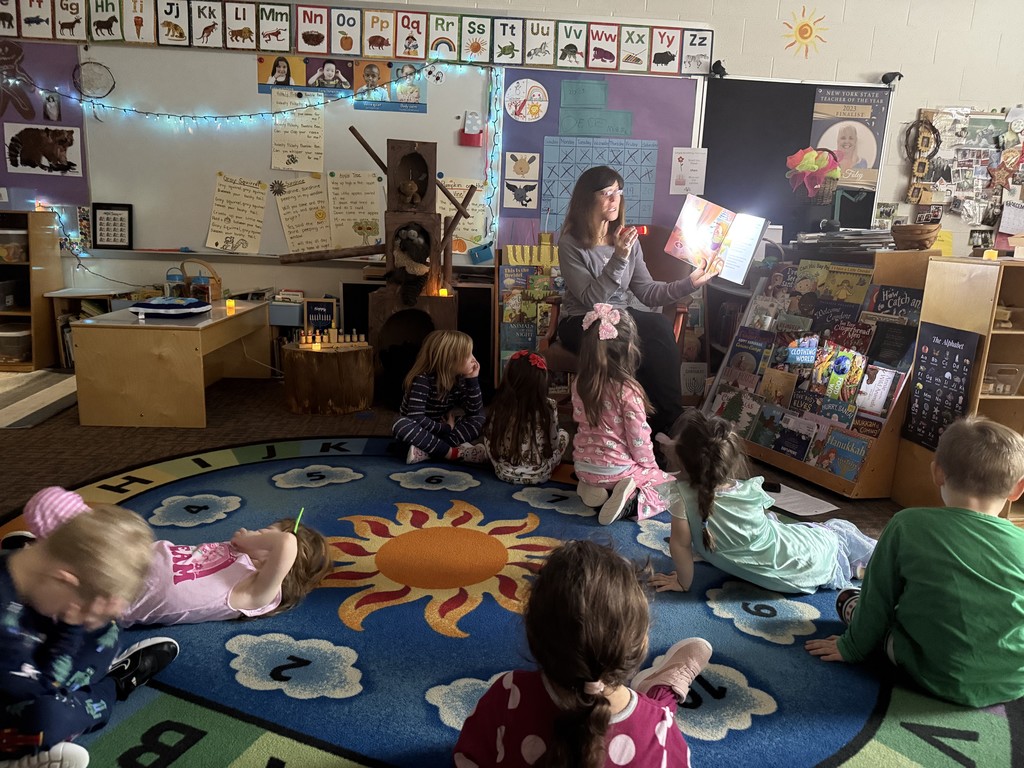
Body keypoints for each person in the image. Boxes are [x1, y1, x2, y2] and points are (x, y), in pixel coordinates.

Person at [805, 416, 1024, 708]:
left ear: (937, 473)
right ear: (1017, 489)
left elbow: (877, 597)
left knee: (848, 598)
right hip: (1010, 680)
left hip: (931, 670)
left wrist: (852, 647)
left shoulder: (907, 524)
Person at [454, 540, 711, 767]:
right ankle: (665, 690)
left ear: (533, 635)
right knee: (658, 711)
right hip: (652, 722)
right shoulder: (659, 732)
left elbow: (469, 757)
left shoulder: (508, 694)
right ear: (640, 642)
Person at [1, 487, 179, 768]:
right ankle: (114, 686)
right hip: (23, 693)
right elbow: (47, 689)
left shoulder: (34, 578)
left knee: (103, 635)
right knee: (49, 718)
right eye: (79, 609)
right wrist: (74, 630)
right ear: (64, 579)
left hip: (28, 667)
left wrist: (89, 623)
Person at [556, 166, 712, 438]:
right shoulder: (571, 243)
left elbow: (648, 291)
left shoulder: (628, 239)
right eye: (607, 193)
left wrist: (692, 282)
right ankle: (632, 429)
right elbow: (593, 299)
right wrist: (618, 257)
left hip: (620, 318)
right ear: (587, 199)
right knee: (628, 341)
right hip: (581, 320)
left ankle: (666, 427)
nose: (615, 199)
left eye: (618, 192)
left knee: (658, 328)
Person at [651, 410, 876, 595]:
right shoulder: (749, 492)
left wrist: (683, 582)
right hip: (799, 565)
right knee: (835, 533)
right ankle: (873, 563)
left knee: (831, 534)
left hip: (783, 577)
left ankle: (867, 566)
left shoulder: (680, 496)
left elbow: (680, 545)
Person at [119, 518, 331, 627]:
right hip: (133, 555)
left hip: (127, 593)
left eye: (267, 532)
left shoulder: (258, 592)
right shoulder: (239, 554)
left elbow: (286, 542)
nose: (259, 531)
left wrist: (247, 541)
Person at [571, 304, 676, 525]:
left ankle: (596, 490)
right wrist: (651, 467)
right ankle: (632, 503)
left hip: (583, 467)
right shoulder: (629, 390)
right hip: (617, 470)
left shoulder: (579, 383)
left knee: (609, 472)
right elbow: (638, 439)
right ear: (630, 349)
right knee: (671, 485)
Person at [393, 329, 486, 465]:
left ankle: (428, 452)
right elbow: (415, 417)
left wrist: (472, 380)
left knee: (480, 419)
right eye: (468, 355)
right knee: (400, 424)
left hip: (442, 433)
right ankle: (451, 453)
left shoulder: (459, 380)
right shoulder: (422, 379)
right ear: (450, 359)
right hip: (420, 432)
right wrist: (446, 428)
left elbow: (474, 411)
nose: (474, 359)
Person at [482, 349, 569, 485]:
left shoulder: (501, 403)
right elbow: (554, 445)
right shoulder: (549, 406)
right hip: (540, 475)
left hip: (503, 472)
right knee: (564, 435)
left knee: (487, 439)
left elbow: (491, 435)